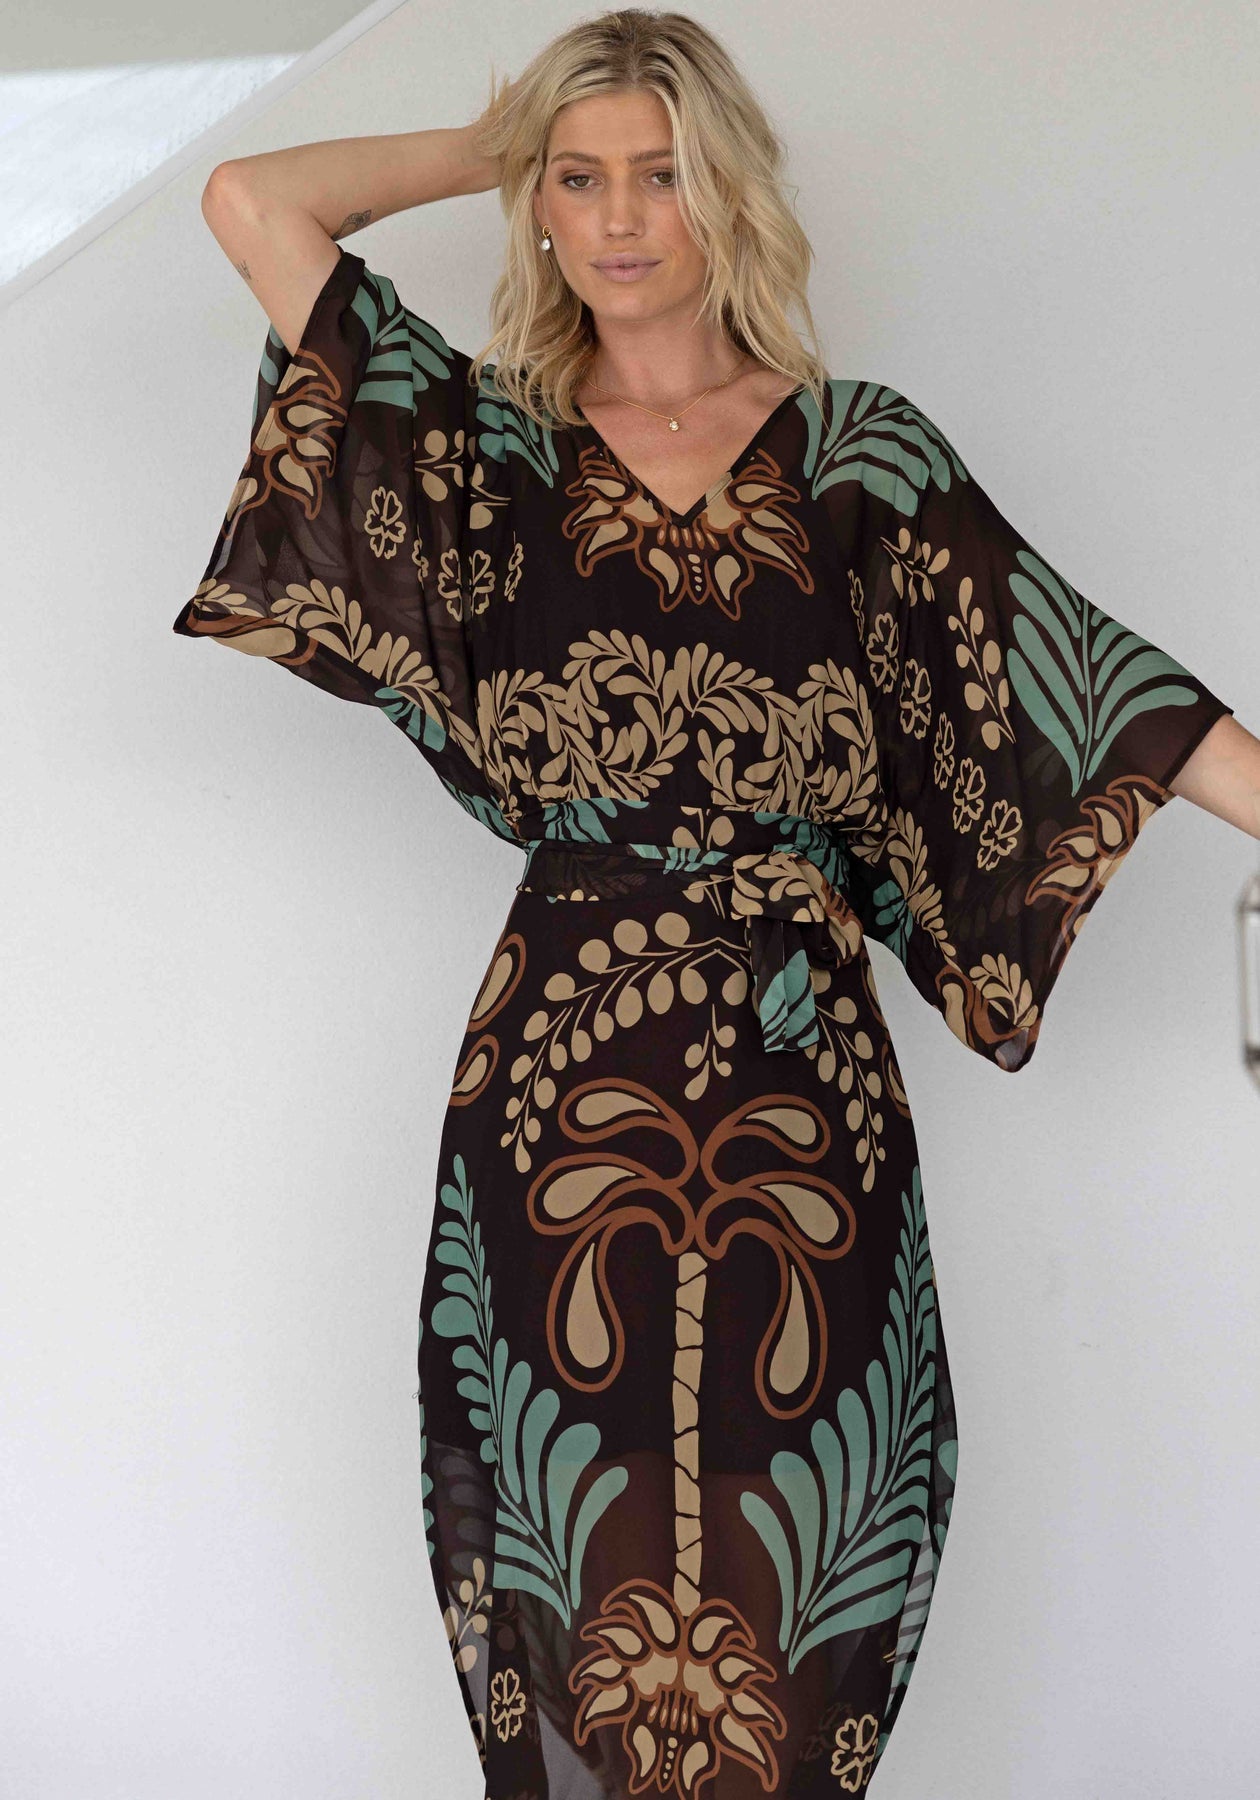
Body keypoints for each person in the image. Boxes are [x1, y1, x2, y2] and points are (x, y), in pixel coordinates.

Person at [172, 9, 1257, 1794]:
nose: (617, 217)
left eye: (660, 175)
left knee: (811, 1523)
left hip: (800, 1078)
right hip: (562, 1076)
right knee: (573, 1531)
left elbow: (1086, 675)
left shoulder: (859, 459)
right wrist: (495, 141)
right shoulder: (488, 450)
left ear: (727, 191)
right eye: (578, 179)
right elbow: (249, 201)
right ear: (539, 204)